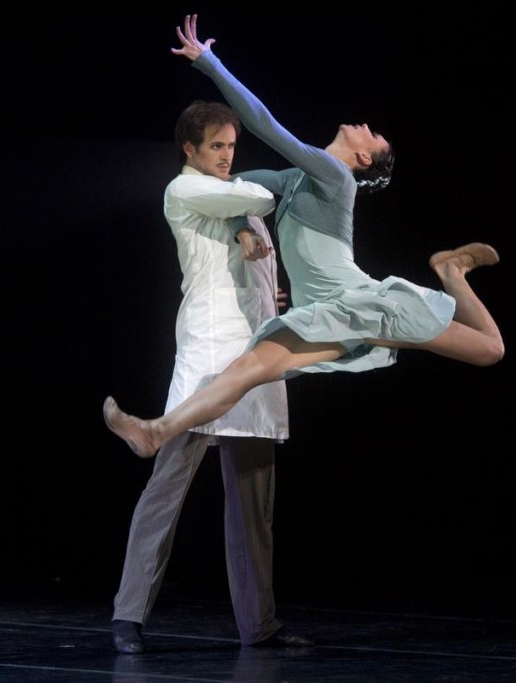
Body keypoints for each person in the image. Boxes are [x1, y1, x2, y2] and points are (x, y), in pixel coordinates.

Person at [104, 14, 505, 458]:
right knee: (247, 370)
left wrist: (210, 63)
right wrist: (239, 229)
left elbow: (264, 124)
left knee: (489, 350)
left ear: (363, 159)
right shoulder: (294, 179)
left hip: (358, 302)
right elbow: (231, 186)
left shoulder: (336, 176)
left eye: (372, 136)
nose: (365, 127)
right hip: (319, 312)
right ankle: (155, 432)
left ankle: (451, 272)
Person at [110, 100, 313, 654]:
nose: (227, 157)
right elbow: (262, 194)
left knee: (254, 507)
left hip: (254, 354)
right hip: (206, 353)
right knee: (166, 491)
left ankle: (259, 624)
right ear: (190, 150)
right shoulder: (186, 190)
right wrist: (242, 224)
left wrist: (268, 290)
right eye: (216, 147)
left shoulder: (234, 209)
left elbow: (254, 250)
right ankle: (129, 616)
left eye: (231, 147)